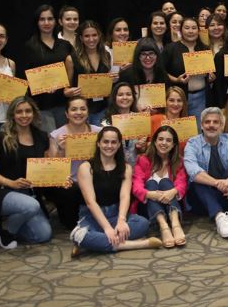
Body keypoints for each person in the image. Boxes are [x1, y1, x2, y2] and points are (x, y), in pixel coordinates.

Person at [0, 97, 60, 249]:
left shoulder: (42, 137)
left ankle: (6, 224)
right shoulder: (1, 138)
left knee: (43, 235)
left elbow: (48, 168)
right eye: (19, 112)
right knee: (31, 206)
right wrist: (10, 183)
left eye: (28, 111)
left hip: (28, 193)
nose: (24, 115)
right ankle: (7, 231)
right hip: (2, 191)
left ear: (34, 113)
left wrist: (61, 174)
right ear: (12, 115)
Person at [70, 126, 161, 256]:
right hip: (93, 217)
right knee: (80, 235)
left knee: (143, 224)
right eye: (105, 142)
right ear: (98, 143)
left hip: (116, 214)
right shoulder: (86, 168)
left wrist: (121, 220)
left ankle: (97, 244)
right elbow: (91, 202)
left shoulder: (126, 168)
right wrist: (107, 228)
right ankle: (140, 244)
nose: (109, 146)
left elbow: (124, 196)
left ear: (119, 145)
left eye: (113, 142)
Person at [183, 107, 228, 238]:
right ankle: (219, 217)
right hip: (204, 200)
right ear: (201, 126)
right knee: (198, 179)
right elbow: (192, 171)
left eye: (215, 122)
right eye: (207, 122)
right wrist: (218, 184)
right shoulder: (192, 143)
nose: (211, 125)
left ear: (221, 126)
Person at [46, 96, 102, 229]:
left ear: (88, 112)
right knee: (70, 222)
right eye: (74, 109)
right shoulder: (57, 135)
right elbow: (52, 169)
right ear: (66, 113)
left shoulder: (98, 132)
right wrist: (61, 149)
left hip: (93, 179)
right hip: (70, 184)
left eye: (83, 109)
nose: (78, 113)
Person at [131, 125, 188, 248]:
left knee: (165, 182)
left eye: (168, 140)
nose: (164, 143)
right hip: (148, 206)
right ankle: (163, 226)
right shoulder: (142, 160)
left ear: (173, 145)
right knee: (150, 184)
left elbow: (182, 183)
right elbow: (136, 186)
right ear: (154, 142)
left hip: (170, 203)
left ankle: (175, 222)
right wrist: (151, 194)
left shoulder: (178, 161)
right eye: (160, 139)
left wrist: (172, 192)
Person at [21, 4, 74, 131]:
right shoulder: (29, 47)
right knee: (47, 143)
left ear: (56, 21)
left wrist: (67, 87)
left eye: (50, 19)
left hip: (63, 104)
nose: (46, 23)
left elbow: (72, 72)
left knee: (63, 142)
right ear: (37, 22)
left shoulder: (65, 45)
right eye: (42, 19)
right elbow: (24, 78)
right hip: (41, 105)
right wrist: (42, 86)